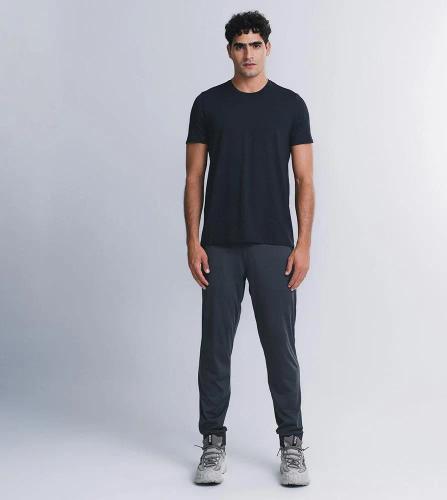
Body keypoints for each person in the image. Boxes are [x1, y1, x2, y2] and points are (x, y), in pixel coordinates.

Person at [184, 10, 314, 486]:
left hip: (274, 244)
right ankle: (212, 442)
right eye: (240, 46)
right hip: (219, 244)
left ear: (268, 48)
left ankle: (292, 444)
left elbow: (304, 179)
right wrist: (192, 240)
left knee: (281, 348)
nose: (248, 54)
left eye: (255, 45)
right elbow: (194, 177)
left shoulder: (291, 106)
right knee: (215, 348)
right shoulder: (208, 104)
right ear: (229, 51)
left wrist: (303, 244)